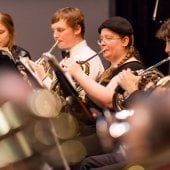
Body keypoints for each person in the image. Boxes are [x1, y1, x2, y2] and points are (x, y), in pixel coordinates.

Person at [62, 16, 145, 111]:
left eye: (108, 38)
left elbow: (108, 101)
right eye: (101, 39)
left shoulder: (132, 68)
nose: (102, 43)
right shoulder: (111, 69)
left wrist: (78, 73)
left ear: (125, 41)